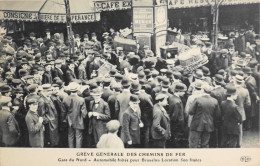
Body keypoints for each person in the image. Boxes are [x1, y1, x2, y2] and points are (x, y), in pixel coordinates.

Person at [63, 82, 87, 148]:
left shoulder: (65, 99)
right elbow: (84, 113)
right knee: (78, 136)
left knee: (70, 136)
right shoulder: (81, 100)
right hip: (79, 120)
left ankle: (71, 150)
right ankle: (77, 150)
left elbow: (63, 111)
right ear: (77, 90)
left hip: (69, 120)